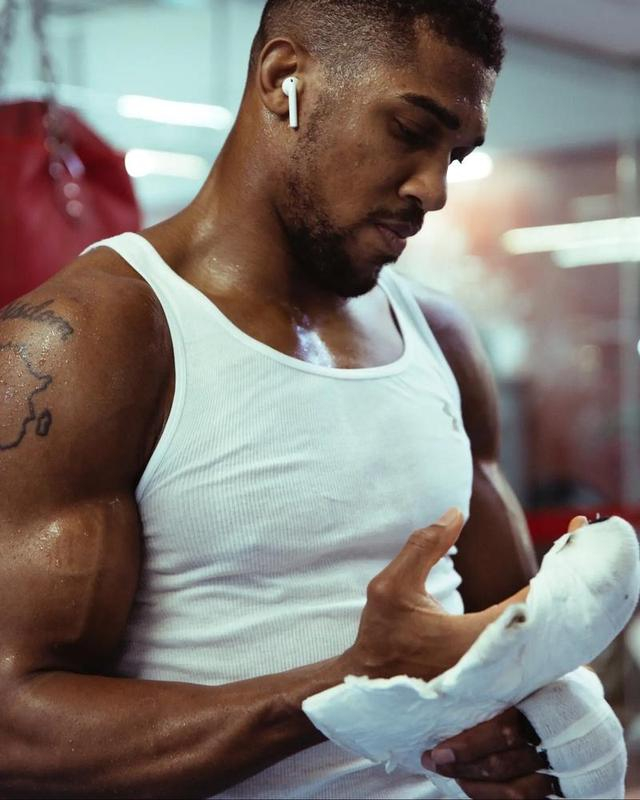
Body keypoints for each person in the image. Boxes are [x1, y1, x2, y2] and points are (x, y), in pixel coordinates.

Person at [0, 1, 624, 798]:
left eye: (456, 155)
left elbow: (509, 643)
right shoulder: (90, 342)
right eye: (410, 129)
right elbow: (14, 727)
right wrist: (351, 689)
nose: (434, 189)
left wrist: (527, 735)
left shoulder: (439, 339)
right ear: (284, 77)